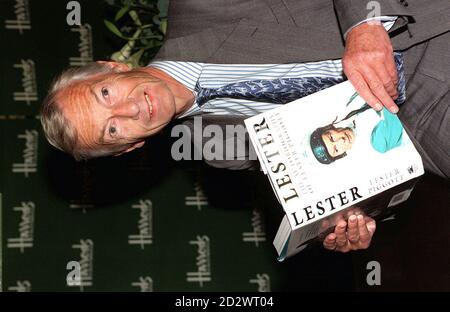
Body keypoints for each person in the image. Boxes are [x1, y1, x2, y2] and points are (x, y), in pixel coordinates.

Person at [40, 0, 450, 253]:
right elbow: (334, 173)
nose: (129, 111)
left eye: (106, 95)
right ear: (128, 148)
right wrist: (348, 217)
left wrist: (364, 26)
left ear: (113, 68)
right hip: (419, 121)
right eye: (112, 131)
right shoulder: (218, 151)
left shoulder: (201, 7)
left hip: (422, 28)